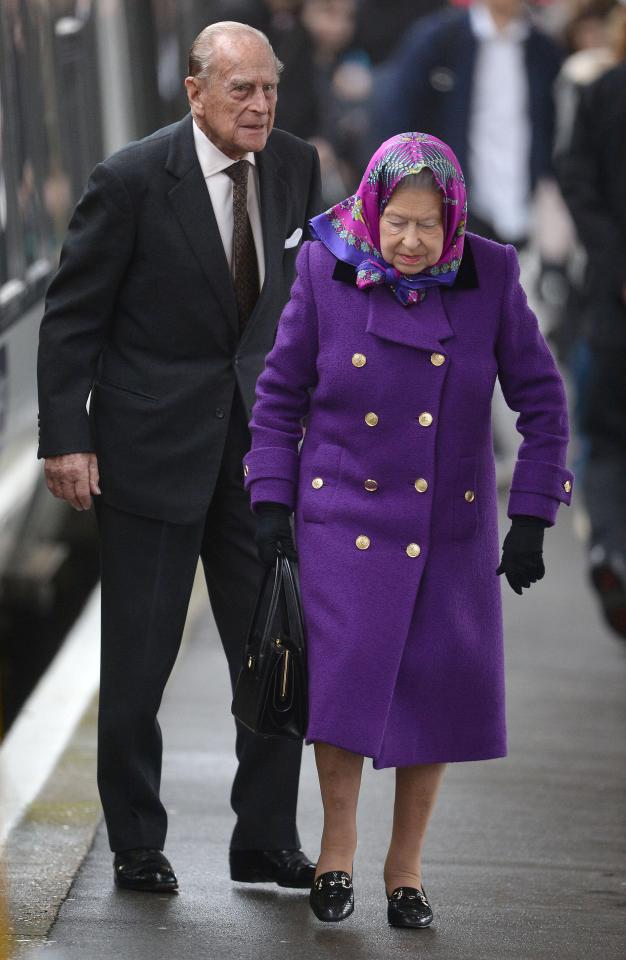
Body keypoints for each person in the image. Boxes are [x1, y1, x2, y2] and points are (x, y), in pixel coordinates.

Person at [244, 132, 573, 927]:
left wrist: (530, 515)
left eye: (429, 225)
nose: (412, 241)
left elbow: (544, 402)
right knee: (345, 684)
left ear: (452, 220)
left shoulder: (489, 273)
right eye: (397, 221)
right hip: (342, 517)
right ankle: (336, 853)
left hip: (447, 527)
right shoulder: (325, 264)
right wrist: (271, 504)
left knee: (433, 695)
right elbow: (280, 394)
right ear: (372, 209)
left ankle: (406, 871)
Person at [37, 21, 321, 893]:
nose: (260, 105)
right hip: (149, 449)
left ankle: (264, 837)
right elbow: (73, 316)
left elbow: (305, 302)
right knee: (139, 662)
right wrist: (66, 437)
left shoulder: (295, 165)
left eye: (269, 88)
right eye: (241, 89)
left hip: (258, 455)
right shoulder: (127, 181)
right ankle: (135, 841)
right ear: (195, 92)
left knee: (275, 651)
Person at [376, 0, 562, 247]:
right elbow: (397, 121)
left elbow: (551, 128)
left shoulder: (544, 51)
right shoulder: (438, 40)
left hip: (527, 212)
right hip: (452, 209)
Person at [555, 45, 626, 639]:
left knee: (605, 443)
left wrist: (612, 262)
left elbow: (573, 172)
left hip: (613, 307)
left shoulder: (607, 91)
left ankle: (609, 549)